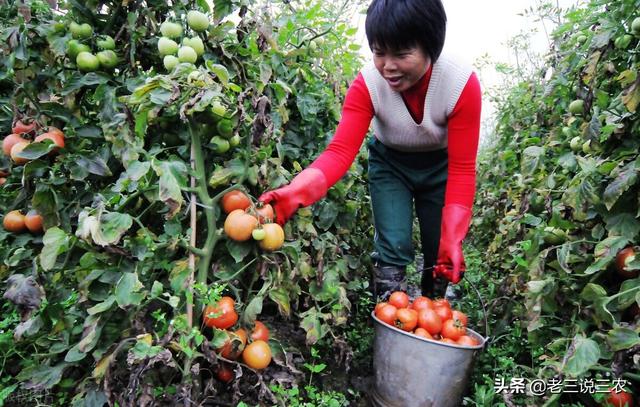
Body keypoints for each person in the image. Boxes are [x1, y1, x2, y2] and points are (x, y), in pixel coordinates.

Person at [259, 0, 481, 299]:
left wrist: (453, 237)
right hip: (391, 165)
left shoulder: (459, 83)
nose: (388, 66)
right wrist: (295, 192)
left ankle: (435, 309)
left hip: (441, 169)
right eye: (379, 52)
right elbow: (339, 152)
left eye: (402, 54)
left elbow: (462, 168)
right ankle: (392, 317)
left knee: (437, 247)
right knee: (392, 244)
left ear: (431, 47)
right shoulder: (368, 85)